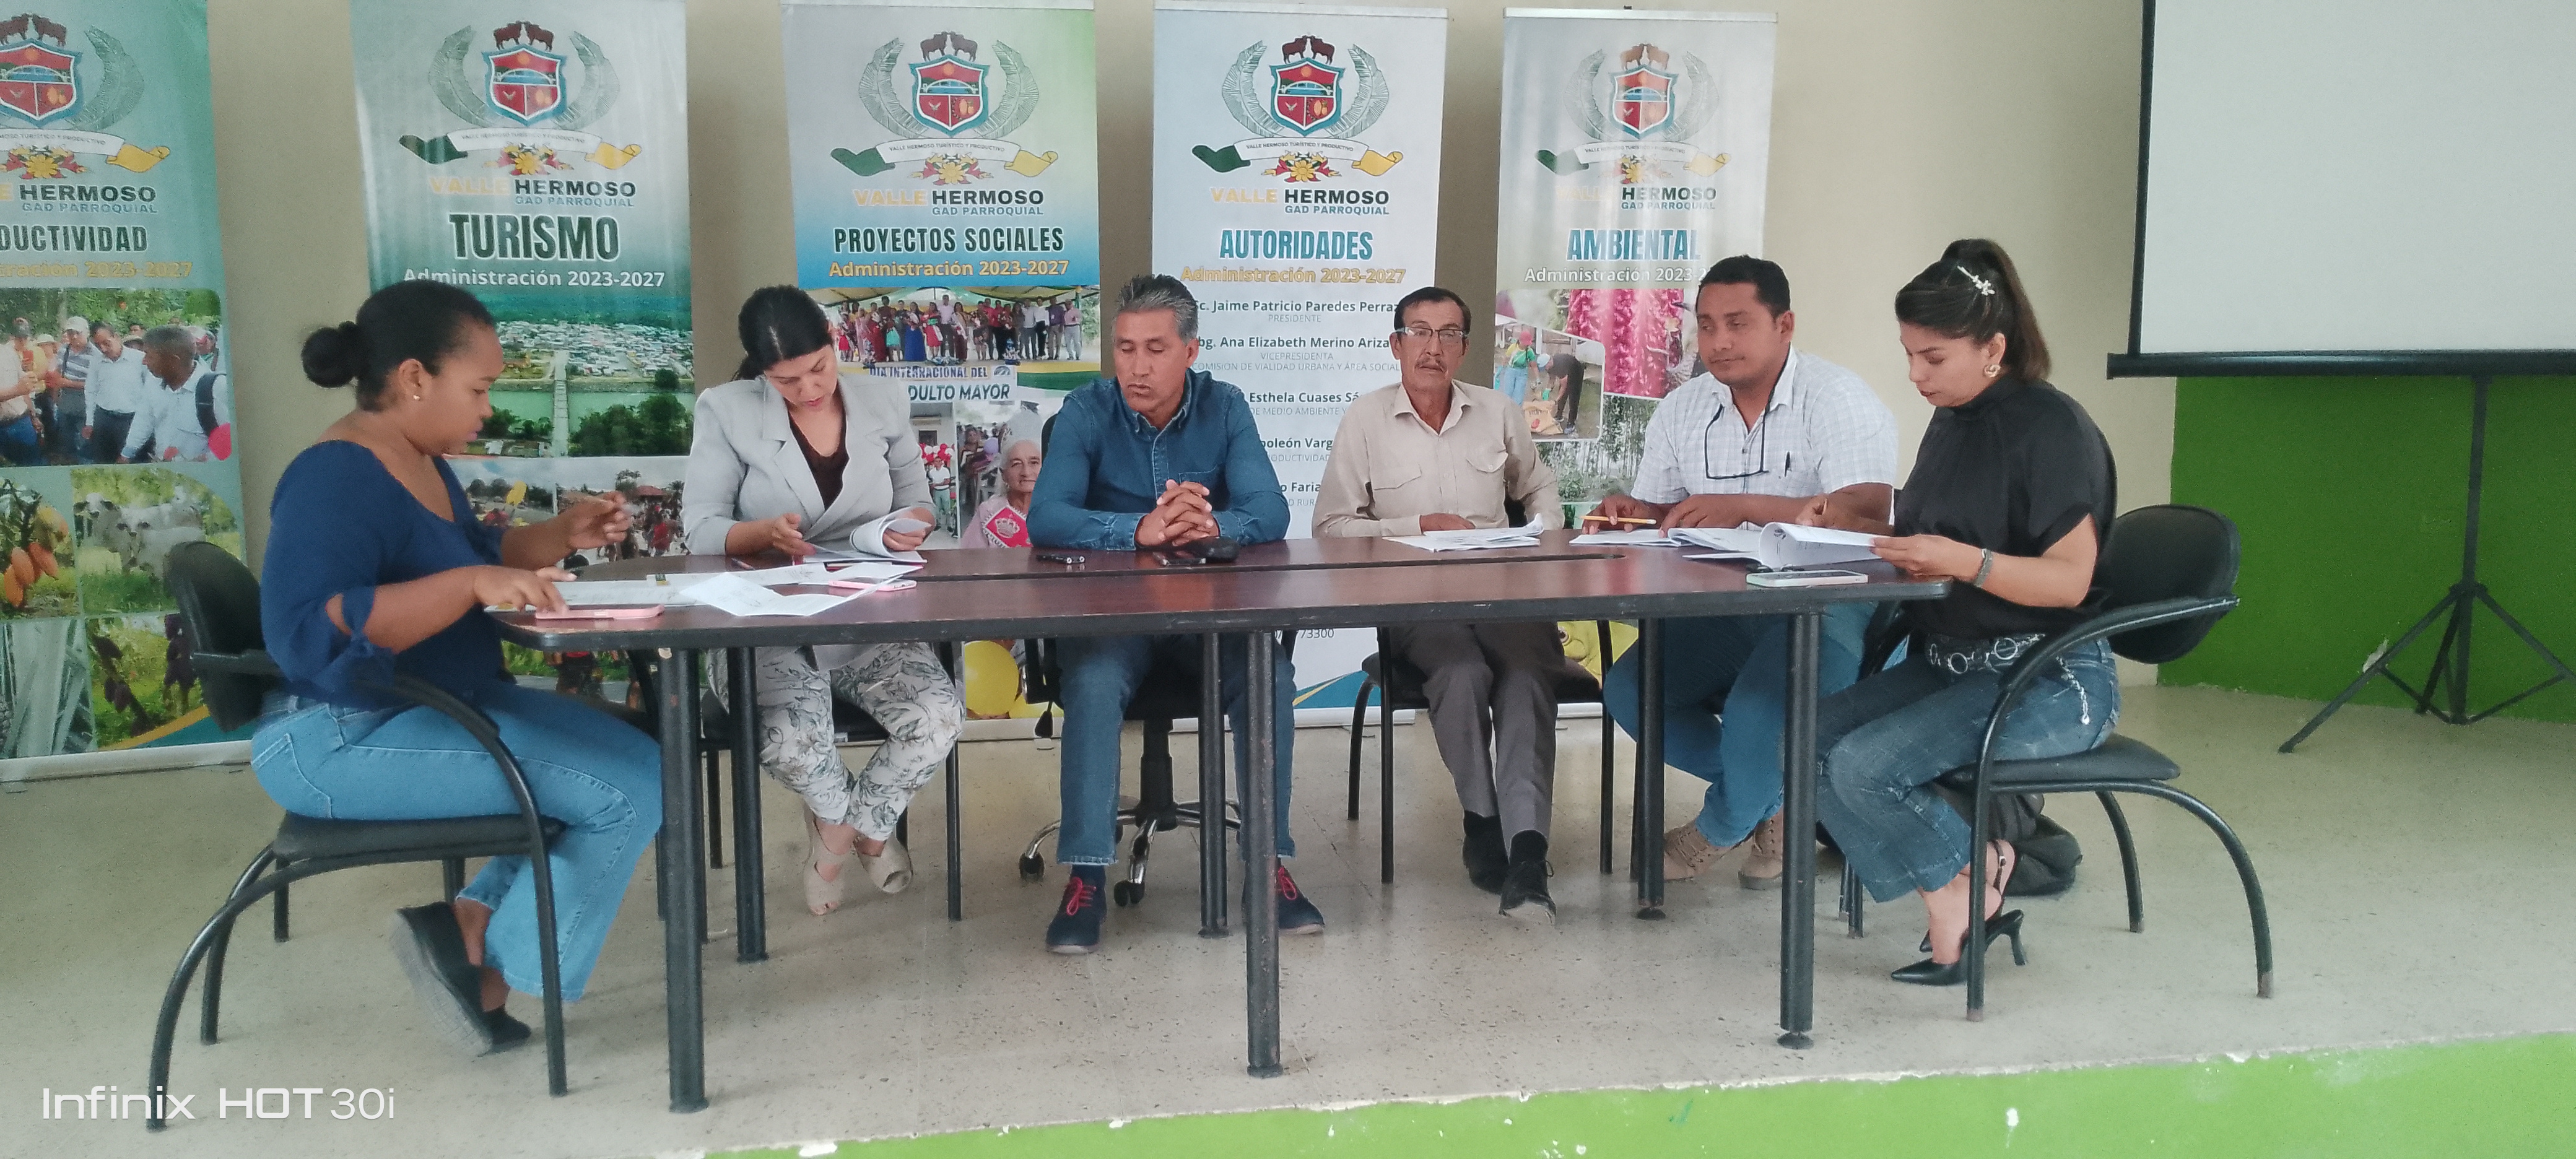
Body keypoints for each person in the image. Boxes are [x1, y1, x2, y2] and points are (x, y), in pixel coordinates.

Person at [254, 279, 657, 1055]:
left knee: (647, 760)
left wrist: (562, 533)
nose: (488, 409)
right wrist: (469, 585)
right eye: (478, 389)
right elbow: (306, 629)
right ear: (414, 378)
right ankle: (487, 979)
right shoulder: (335, 475)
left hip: (427, 705)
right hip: (337, 738)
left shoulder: (419, 461)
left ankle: (465, 925)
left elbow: (475, 555)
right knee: (622, 794)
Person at [1799, 239, 2118, 986]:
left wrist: (1961, 562)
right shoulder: (1952, 419)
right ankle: (1961, 883)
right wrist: (1846, 526)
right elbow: (1939, 533)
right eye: (1908, 355)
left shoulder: (2052, 429)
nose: (1915, 375)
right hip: (1952, 662)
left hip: (2048, 678)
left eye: (1932, 357)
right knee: (1801, 742)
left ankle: (1960, 894)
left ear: (1993, 349)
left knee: (1863, 768)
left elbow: (2068, 582)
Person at [1586, 256, 1900, 890]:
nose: (1718, 342)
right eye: (1705, 326)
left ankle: (1717, 828)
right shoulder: (1682, 408)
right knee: (1629, 691)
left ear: (1784, 325)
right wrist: (1635, 513)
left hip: (1824, 603)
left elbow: (1866, 519)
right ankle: (1778, 798)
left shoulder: (1836, 398)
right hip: (1723, 603)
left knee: (1758, 713)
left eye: (1737, 323)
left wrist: (1745, 508)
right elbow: (1664, 514)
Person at [1026, 273, 1312, 953]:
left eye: (1155, 349)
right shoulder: (1085, 411)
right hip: (1113, 620)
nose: (1137, 366)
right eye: (1125, 349)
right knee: (1094, 682)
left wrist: (1208, 526)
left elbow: (1269, 511)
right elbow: (1047, 517)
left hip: (1204, 618)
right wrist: (1137, 530)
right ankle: (1086, 876)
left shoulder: (1225, 406)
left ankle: (1266, 864)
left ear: (1190, 351)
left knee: (1268, 676)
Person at [682, 286, 965, 916]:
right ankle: (850, 827)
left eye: (819, 368)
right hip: (767, 621)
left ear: (834, 345)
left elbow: (920, 504)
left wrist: (907, 528)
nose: (809, 389)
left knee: (938, 716)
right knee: (788, 740)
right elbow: (699, 529)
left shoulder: (882, 401)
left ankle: (848, 833)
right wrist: (760, 534)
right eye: (786, 381)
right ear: (761, 374)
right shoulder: (726, 411)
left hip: (864, 611)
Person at [1313, 286, 1568, 919]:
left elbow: (1538, 487)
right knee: (1460, 672)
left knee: (1525, 674)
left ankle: (1528, 851)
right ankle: (1482, 823)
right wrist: (1417, 526)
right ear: (1395, 344)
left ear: (1465, 347)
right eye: (1419, 333)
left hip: (1502, 592)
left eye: (1448, 334)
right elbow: (1332, 528)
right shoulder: (1366, 419)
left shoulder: (1498, 411)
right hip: (1415, 601)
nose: (1433, 347)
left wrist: (1540, 537)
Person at [120, 326, 230, 462]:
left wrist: (206, 460)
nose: (144, 361)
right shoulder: (153, 384)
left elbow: (232, 440)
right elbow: (144, 420)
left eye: (149, 355)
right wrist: (127, 454)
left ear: (173, 360)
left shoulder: (215, 388)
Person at [84, 323, 147, 465]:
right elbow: (91, 390)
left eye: (107, 343)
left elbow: (150, 391)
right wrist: (90, 422)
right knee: (102, 463)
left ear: (117, 337)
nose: (103, 349)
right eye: (98, 345)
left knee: (132, 464)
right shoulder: (96, 361)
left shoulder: (140, 359)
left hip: (131, 420)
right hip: (103, 419)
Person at [965, 438, 1042, 548]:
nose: (1026, 472)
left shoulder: (1056, 511)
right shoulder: (989, 512)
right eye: (1017, 464)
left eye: (1034, 463)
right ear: (1004, 474)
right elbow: (969, 556)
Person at [46, 318, 90, 462]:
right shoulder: (64, 350)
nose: (74, 337)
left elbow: (97, 384)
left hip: (85, 402)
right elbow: (58, 373)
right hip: (65, 401)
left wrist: (70, 383)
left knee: (84, 443)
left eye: (78, 333)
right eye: (71, 333)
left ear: (87, 332)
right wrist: (56, 395)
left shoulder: (95, 354)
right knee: (66, 440)